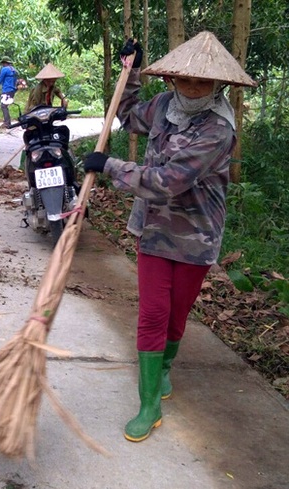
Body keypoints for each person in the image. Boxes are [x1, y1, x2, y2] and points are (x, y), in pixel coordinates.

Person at [83, 32, 256, 442]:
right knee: (153, 313)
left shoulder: (218, 129)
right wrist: (131, 73)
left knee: (177, 314)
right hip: (155, 230)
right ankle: (149, 404)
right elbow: (129, 117)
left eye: (203, 82)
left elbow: (170, 180)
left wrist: (110, 166)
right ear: (173, 80)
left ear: (219, 85)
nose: (193, 88)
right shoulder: (164, 105)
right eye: (185, 80)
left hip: (197, 236)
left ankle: (163, 370)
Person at [19, 63, 69, 170]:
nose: (52, 82)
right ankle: (28, 163)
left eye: (54, 80)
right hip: (35, 118)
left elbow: (58, 91)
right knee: (33, 139)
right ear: (45, 80)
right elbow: (34, 107)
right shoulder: (38, 90)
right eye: (50, 80)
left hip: (47, 118)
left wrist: (63, 99)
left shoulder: (52, 87)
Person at [0, 56, 19, 129]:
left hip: (7, 90)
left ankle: (7, 123)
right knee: (4, 105)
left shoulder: (5, 69)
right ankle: (7, 122)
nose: (2, 65)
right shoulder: (14, 70)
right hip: (12, 90)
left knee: (3, 106)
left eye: (3, 63)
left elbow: (0, 78)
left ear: (5, 63)